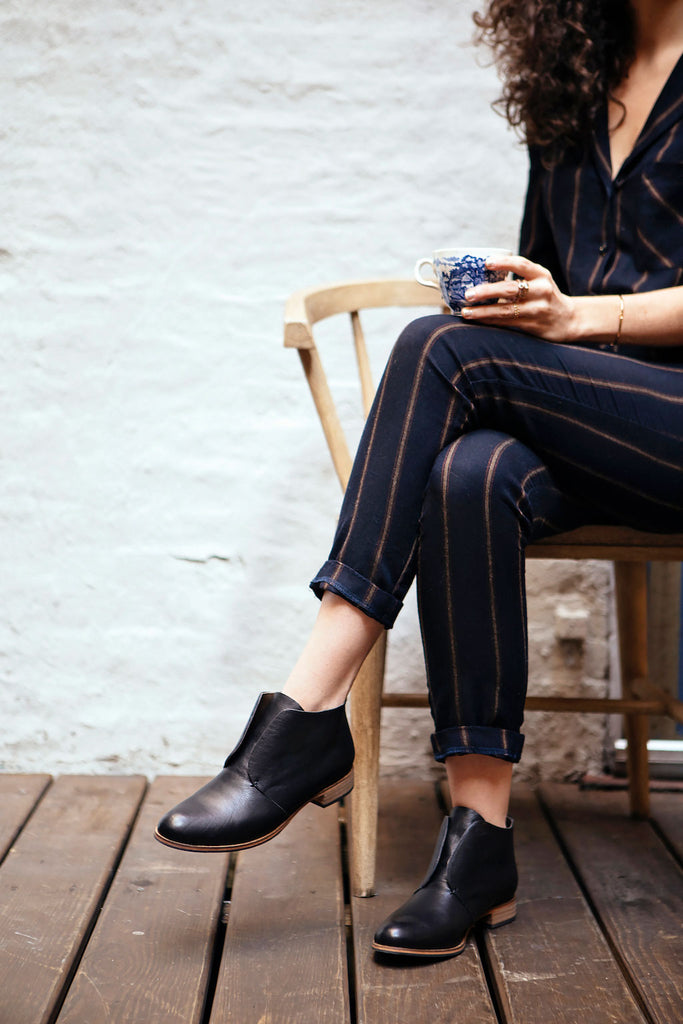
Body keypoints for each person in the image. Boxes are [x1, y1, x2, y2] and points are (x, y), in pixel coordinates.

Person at [156, 0, 683, 960]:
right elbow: (554, 279)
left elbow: (578, 311)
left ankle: (305, 715)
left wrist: (580, 320)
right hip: (589, 418)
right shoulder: (574, 77)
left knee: (435, 346)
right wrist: (526, 303)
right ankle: (477, 846)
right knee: (464, 474)